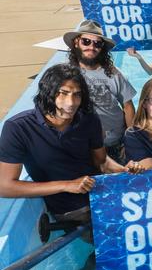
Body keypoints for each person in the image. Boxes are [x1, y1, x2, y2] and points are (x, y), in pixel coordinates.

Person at [0, 64, 140, 222]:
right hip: (70, 209)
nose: (71, 103)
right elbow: (5, 187)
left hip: (103, 195)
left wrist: (124, 170)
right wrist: (67, 185)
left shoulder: (88, 119)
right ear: (48, 93)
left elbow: (101, 162)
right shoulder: (18, 127)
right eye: (63, 93)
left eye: (77, 95)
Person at [64, 19, 137, 164]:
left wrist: (131, 140)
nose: (92, 47)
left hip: (115, 141)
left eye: (97, 43)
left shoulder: (113, 73)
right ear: (76, 42)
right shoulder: (66, 74)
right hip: (85, 145)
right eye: (86, 41)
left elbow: (128, 106)